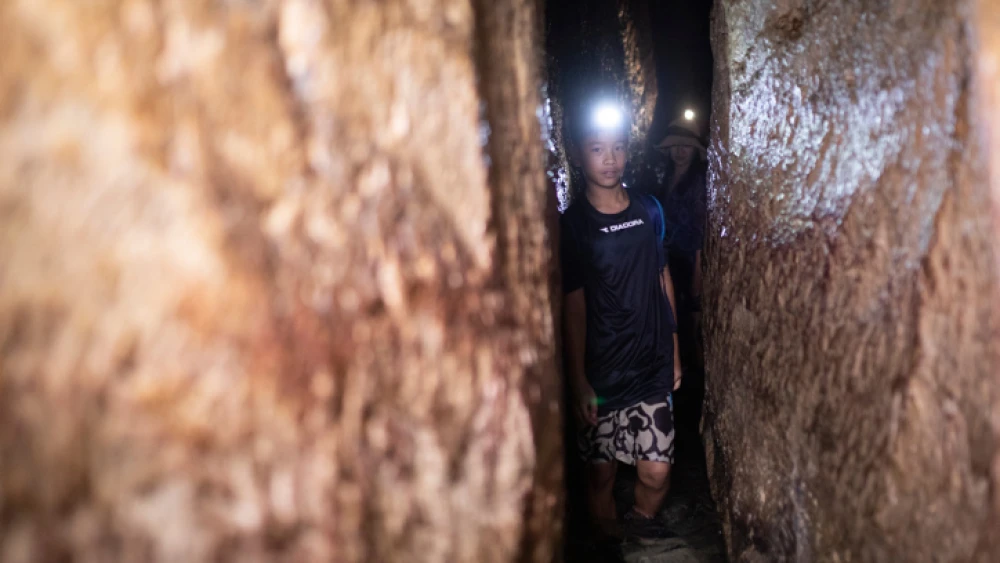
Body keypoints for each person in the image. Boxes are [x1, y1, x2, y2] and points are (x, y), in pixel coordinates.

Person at [560, 100, 682, 545]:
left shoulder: (649, 210)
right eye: (597, 148)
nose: (609, 158)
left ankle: (641, 524)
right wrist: (578, 381)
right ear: (578, 153)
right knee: (601, 476)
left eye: (617, 148)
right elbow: (572, 306)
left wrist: (674, 351)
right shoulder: (572, 226)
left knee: (656, 471)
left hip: (650, 362)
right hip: (603, 369)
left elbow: (661, 276)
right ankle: (611, 547)